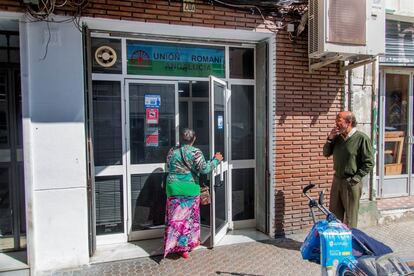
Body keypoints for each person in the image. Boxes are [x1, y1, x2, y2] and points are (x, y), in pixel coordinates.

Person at [164, 128, 223, 259]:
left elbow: (168, 165)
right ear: (194, 138)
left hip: (173, 188)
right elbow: (204, 169)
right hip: (189, 189)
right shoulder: (196, 152)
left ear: (181, 138)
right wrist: (216, 160)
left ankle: (172, 245)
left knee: (174, 219)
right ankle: (184, 248)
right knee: (187, 220)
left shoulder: (172, 151)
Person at [323, 111, 374, 228]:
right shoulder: (337, 138)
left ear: (348, 122)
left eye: (339, 120)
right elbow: (326, 153)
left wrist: (356, 178)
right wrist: (330, 138)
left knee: (350, 219)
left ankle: (350, 244)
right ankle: (336, 244)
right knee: (334, 217)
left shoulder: (362, 139)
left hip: (351, 182)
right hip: (337, 181)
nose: (336, 123)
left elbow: (369, 163)